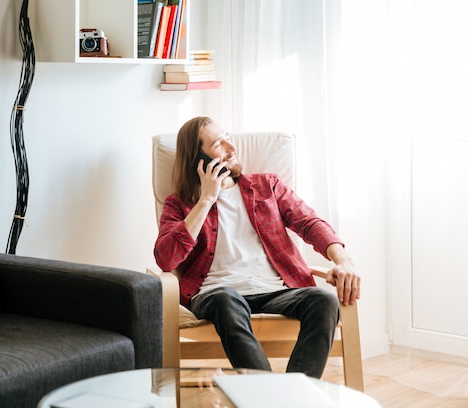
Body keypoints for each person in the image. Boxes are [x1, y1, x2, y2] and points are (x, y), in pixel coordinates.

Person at [153, 116, 360, 378]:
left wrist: (342, 260)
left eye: (228, 137)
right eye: (219, 143)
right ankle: (270, 397)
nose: (231, 147)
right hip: (217, 294)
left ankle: (292, 395)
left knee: (324, 300)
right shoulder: (179, 204)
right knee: (226, 299)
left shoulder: (267, 186)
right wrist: (206, 199)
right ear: (198, 159)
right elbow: (166, 259)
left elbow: (308, 222)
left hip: (276, 291)